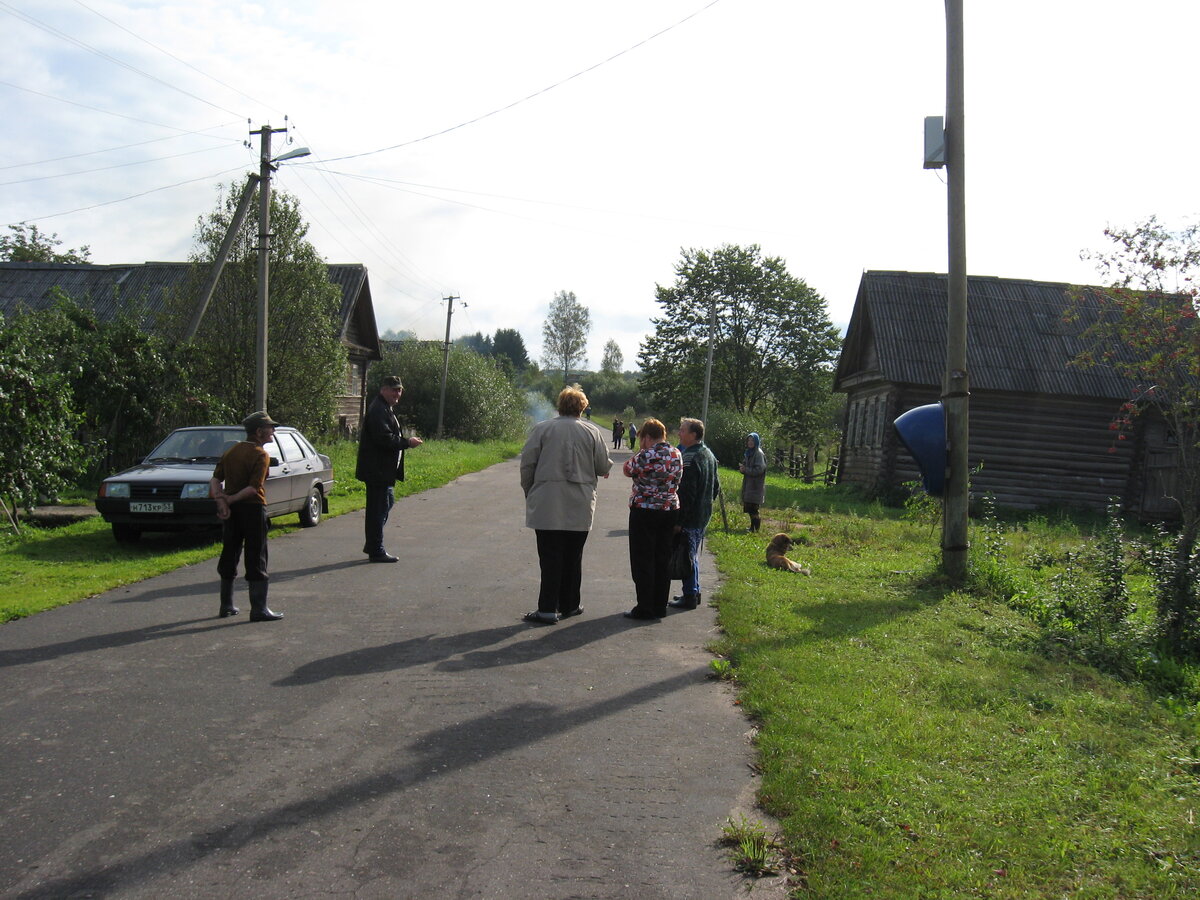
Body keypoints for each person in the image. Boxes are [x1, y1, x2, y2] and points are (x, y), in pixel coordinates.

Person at [520, 385, 613, 624]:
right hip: (580, 503)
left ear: (560, 405)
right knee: (573, 556)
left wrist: (530, 492)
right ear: (582, 407)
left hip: (547, 501)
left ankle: (548, 608)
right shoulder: (592, 432)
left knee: (550, 557)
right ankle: (570, 604)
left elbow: (527, 465)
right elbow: (603, 467)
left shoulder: (542, 429)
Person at [210, 410, 284, 622]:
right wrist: (229, 500)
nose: (273, 431)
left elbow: (215, 479)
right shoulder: (261, 455)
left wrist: (221, 500)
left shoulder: (232, 451)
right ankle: (259, 609)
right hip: (252, 509)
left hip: (233, 513)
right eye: (271, 428)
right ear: (259, 432)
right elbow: (254, 488)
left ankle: (226, 605)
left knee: (230, 551)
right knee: (256, 555)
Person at [357, 375, 423, 562]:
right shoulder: (379, 410)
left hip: (382, 471)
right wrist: (407, 442)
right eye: (393, 389)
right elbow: (384, 439)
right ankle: (376, 549)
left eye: (399, 390)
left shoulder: (385, 408)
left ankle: (373, 544)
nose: (397, 393)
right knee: (378, 510)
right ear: (383, 390)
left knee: (386, 503)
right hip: (376, 471)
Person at [622, 418, 682, 620]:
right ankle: (660, 605)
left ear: (647, 437)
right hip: (669, 509)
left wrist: (641, 451)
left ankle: (644, 606)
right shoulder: (677, 453)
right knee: (662, 556)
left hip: (645, 509)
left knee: (643, 558)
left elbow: (627, 469)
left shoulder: (646, 455)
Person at [668, 417, 720, 610]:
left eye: (682, 430)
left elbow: (686, 494)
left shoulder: (689, 458)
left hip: (690, 516)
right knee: (692, 553)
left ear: (693, 435)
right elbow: (716, 487)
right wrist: (706, 504)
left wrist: (679, 520)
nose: (679, 433)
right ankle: (694, 591)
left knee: (686, 555)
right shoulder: (708, 454)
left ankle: (690, 594)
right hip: (703, 513)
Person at [739, 431, 767, 532]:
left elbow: (759, 469)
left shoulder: (758, 453)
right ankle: (752, 527)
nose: (750, 442)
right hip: (749, 485)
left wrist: (746, 469)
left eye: (752, 440)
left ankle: (756, 529)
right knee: (750, 507)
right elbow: (746, 466)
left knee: (754, 509)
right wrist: (742, 469)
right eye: (749, 440)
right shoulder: (749, 453)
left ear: (756, 441)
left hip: (755, 486)